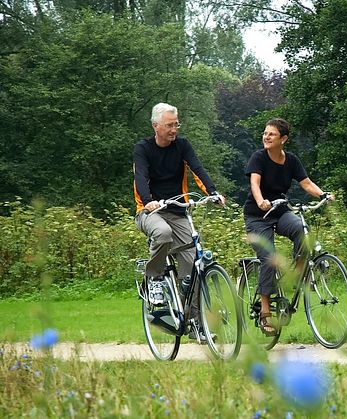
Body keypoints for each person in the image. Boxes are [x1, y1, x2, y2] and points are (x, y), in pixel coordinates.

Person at [133, 102, 225, 340]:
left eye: (176, 124)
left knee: (192, 265)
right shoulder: (143, 148)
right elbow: (141, 177)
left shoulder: (182, 146)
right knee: (162, 234)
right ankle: (153, 277)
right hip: (150, 212)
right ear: (156, 126)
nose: (174, 129)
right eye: (169, 125)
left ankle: (195, 324)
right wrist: (148, 201)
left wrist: (212, 193)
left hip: (178, 211)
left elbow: (197, 169)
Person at [244, 118, 333, 335]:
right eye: (265, 133)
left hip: (280, 210)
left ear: (283, 139)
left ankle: (299, 274)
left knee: (302, 231)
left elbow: (306, 183)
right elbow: (255, 183)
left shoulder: (291, 160)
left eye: (271, 134)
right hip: (258, 215)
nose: (266, 137)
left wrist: (323, 194)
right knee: (269, 258)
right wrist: (261, 201)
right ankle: (265, 313)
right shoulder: (259, 157)